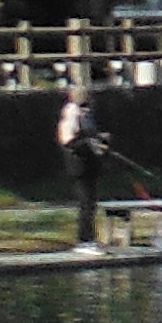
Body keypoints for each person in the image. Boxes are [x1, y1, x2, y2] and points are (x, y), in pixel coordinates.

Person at [55, 88, 106, 252]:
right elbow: (68, 141)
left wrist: (100, 140)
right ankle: (84, 240)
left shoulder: (87, 114)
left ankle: (91, 238)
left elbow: (90, 137)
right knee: (85, 203)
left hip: (91, 165)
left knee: (91, 204)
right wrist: (88, 143)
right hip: (79, 166)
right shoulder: (71, 114)